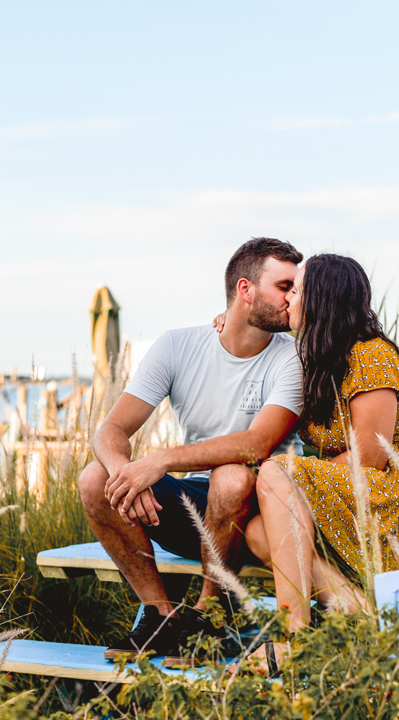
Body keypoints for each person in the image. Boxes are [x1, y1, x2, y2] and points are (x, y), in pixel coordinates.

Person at [79, 237, 305, 667]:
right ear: (245, 290)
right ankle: (159, 615)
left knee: (233, 475)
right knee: (96, 477)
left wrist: (160, 460)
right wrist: (126, 472)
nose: (293, 297)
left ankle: (209, 617)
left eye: (296, 288)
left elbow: (256, 445)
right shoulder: (178, 346)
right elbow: (111, 428)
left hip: (258, 518)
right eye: (284, 286)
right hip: (195, 512)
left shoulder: (292, 357)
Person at [237, 253, 399, 666]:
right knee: (258, 534)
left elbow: (371, 456)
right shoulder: (320, 356)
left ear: (320, 300)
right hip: (354, 489)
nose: (288, 300)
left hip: (397, 486)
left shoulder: (370, 354)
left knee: (276, 473)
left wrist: (296, 481)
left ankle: (293, 637)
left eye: (296, 291)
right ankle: (359, 615)